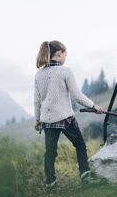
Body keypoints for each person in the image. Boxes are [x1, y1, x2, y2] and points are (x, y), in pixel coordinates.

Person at [34, 40, 104, 188]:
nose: (66, 57)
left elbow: (37, 100)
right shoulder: (65, 71)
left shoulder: (38, 75)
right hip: (65, 117)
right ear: (59, 53)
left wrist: (38, 119)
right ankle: (85, 176)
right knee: (79, 144)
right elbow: (77, 96)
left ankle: (50, 183)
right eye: (65, 54)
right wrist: (93, 106)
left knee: (50, 152)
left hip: (47, 120)